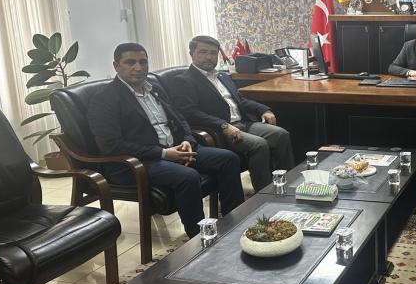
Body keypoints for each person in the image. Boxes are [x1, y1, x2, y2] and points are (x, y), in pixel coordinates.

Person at [87, 43, 244, 239]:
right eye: (130, 62)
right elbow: (110, 145)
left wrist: (187, 139)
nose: (138, 67)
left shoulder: (155, 88)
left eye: (143, 62)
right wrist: (163, 153)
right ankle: (200, 238)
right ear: (116, 66)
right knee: (188, 176)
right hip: (138, 162)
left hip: (176, 149)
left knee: (228, 159)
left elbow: (180, 118)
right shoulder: (104, 99)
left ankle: (234, 223)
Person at [171, 35, 294, 192]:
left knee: (281, 135)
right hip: (219, 131)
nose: (209, 57)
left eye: (213, 53)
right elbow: (190, 113)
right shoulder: (183, 80)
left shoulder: (222, 76)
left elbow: (240, 100)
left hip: (243, 124)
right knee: (258, 144)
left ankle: (288, 185)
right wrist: (223, 125)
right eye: (203, 52)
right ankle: (265, 194)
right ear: (191, 54)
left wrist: (263, 109)